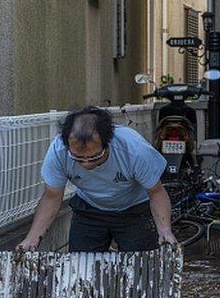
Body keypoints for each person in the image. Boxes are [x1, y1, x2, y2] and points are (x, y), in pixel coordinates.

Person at [18, 106, 178, 253]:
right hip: (89, 209)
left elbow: (156, 192)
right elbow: (52, 197)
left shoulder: (133, 149)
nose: (86, 164)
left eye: (95, 157)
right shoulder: (59, 152)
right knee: (81, 268)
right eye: (78, 158)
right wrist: (31, 239)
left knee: (141, 268)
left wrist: (164, 231)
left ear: (108, 142)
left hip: (134, 209)